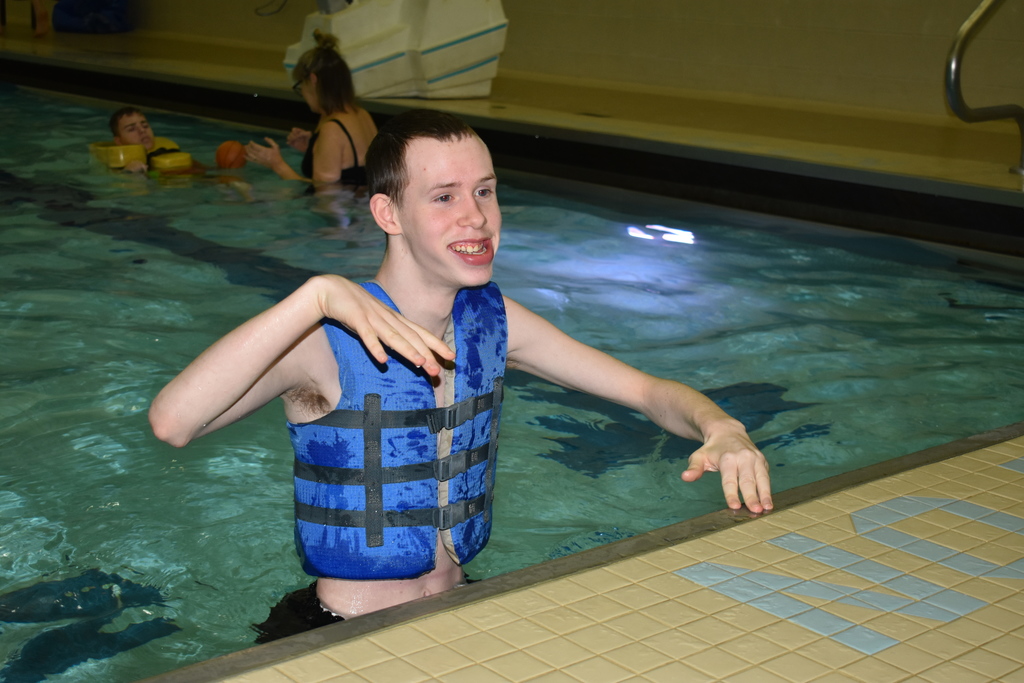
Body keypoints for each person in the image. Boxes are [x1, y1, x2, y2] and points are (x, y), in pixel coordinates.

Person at [149, 109, 772, 640]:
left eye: (485, 190)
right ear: (389, 214)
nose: (475, 217)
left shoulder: (492, 322)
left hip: (462, 605)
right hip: (338, 633)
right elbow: (173, 422)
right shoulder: (321, 341)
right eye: (443, 197)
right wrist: (312, 298)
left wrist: (721, 426)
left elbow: (646, 391)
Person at [245, 30, 377, 186]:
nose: (302, 93)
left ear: (313, 80)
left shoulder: (332, 129)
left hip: (347, 208)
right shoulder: (362, 114)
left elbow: (325, 196)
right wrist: (315, 147)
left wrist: (277, 165)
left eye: (301, 85)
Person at [108, 107, 182, 173]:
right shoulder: (117, 168)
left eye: (145, 126)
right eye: (132, 129)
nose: (142, 130)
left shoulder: (167, 150)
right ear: (119, 141)